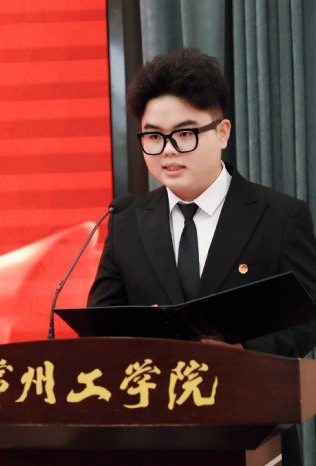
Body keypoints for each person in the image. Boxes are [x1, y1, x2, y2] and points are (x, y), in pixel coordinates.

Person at [87, 48, 316, 466]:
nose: (168, 151)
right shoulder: (127, 222)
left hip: (254, 433)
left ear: (222, 132)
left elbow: (308, 316)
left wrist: (245, 350)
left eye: (185, 134)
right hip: (154, 437)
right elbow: (102, 323)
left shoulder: (280, 216)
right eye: (153, 137)